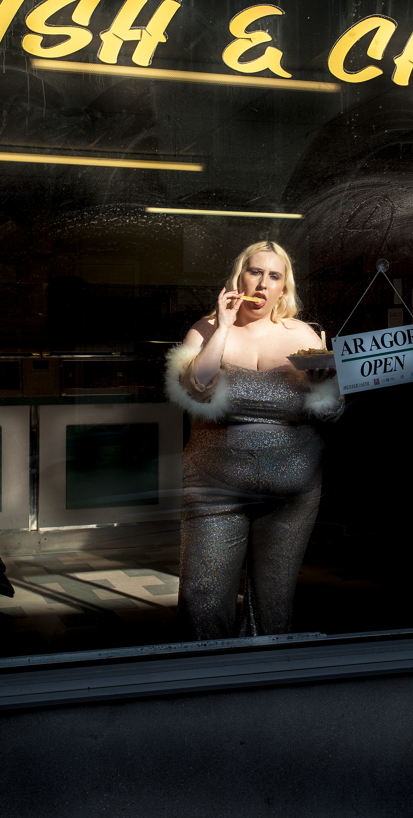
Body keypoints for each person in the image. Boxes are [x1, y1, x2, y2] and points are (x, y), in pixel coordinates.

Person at [165, 240, 344, 640]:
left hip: (291, 494)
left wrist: (325, 386)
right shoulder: (207, 329)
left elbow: (332, 413)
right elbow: (196, 389)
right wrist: (224, 329)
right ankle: (207, 690)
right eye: (255, 272)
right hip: (214, 487)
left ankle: (267, 691)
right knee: (204, 598)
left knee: (274, 603)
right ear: (239, 277)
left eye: (274, 276)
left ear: (285, 287)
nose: (263, 284)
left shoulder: (303, 335)